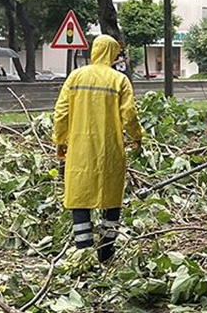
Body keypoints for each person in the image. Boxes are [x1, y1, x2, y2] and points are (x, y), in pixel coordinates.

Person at [53, 35, 144, 264]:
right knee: (111, 197)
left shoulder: (75, 77)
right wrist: (137, 137)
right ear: (112, 53)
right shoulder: (119, 80)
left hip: (79, 148)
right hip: (109, 148)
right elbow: (129, 115)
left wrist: (60, 140)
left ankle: (83, 251)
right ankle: (106, 250)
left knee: (80, 197)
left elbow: (61, 113)